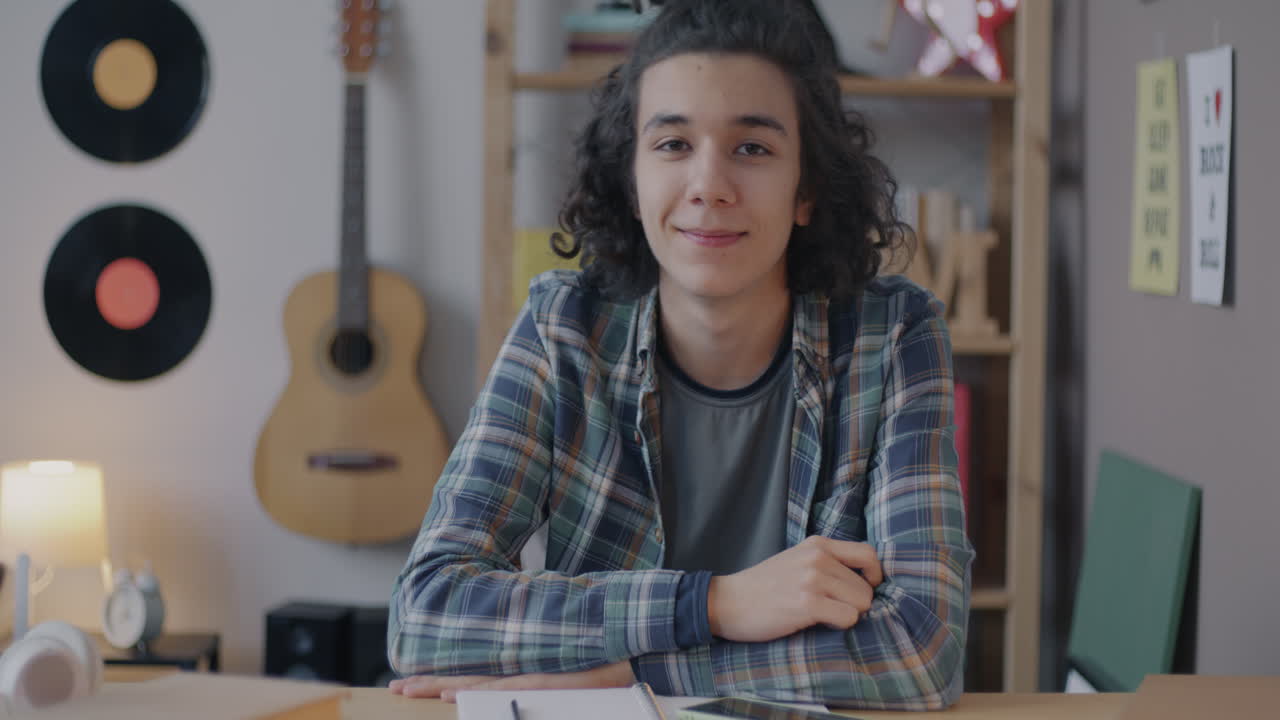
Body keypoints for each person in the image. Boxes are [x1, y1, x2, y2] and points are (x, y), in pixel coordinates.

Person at [387, 0, 972, 710]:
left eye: (752, 148)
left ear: (806, 190)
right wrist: (714, 604)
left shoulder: (896, 335)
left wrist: (639, 674)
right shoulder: (563, 327)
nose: (709, 186)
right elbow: (424, 617)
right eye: (672, 145)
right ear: (632, 183)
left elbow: (922, 649)